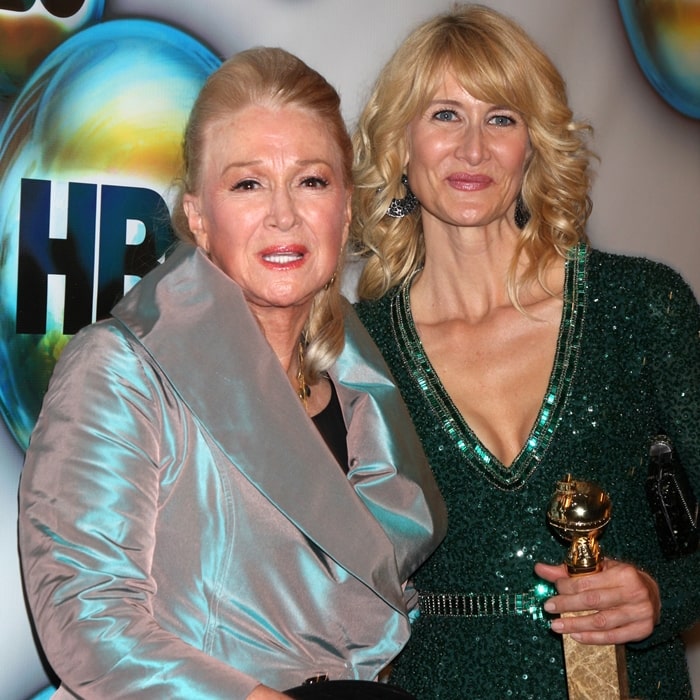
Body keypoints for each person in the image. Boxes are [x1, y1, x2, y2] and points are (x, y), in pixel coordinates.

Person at [18, 47, 447, 700]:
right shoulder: (123, 366)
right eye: (248, 184)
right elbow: (86, 615)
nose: (284, 214)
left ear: (346, 208)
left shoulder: (364, 393)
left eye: (312, 181)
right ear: (197, 217)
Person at [351, 5, 700, 699]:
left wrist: (665, 595)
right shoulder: (362, 349)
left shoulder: (639, 307)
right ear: (400, 146)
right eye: (444, 115)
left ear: (533, 144)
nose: (474, 148)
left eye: (502, 117)